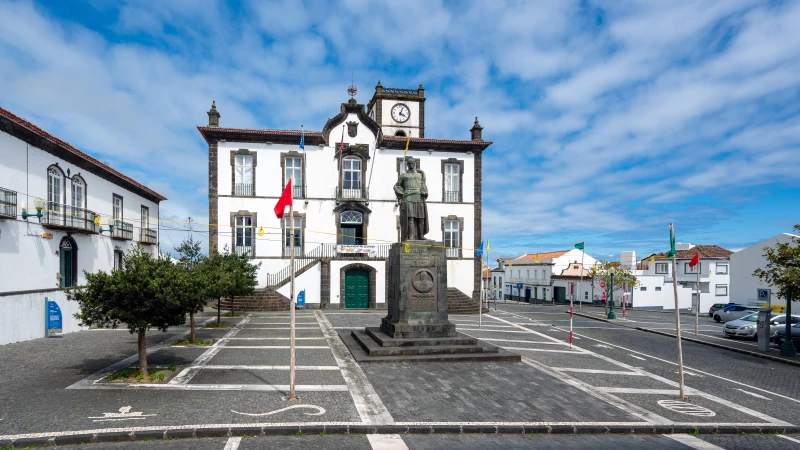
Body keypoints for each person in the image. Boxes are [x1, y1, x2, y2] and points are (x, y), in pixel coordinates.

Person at [394, 156, 429, 240]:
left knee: (421, 218)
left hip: (419, 198)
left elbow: (423, 185)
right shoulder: (403, 175)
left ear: (415, 164)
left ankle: (421, 236)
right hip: (408, 198)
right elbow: (397, 186)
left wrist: (425, 192)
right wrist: (400, 196)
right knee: (411, 218)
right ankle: (411, 236)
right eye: (409, 163)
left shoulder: (420, 175)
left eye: (413, 163)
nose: (411, 164)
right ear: (407, 164)